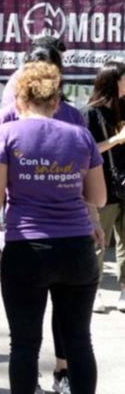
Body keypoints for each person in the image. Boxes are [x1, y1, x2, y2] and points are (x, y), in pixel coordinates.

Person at [0, 61, 105, 394]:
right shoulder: (80, 135)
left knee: (24, 344)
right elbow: (98, 198)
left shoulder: (6, 134)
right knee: (79, 341)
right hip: (77, 250)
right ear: (56, 100)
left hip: (27, 249)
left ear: (18, 100)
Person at [81, 61, 125, 314]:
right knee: (98, 241)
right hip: (103, 187)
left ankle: (123, 290)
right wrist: (116, 140)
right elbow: (87, 151)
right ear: (112, 81)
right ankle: (93, 290)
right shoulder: (90, 113)